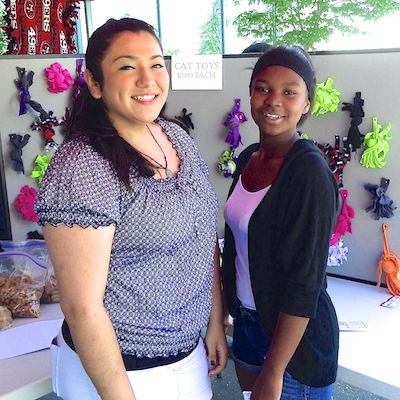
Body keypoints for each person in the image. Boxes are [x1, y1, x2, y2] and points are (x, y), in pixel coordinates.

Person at [35, 17, 227, 400]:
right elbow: (82, 309)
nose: (148, 79)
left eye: (156, 64)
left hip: (186, 359)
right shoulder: (83, 165)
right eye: (127, 66)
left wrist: (214, 321)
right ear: (93, 82)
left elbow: (204, 240)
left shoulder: (175, 137)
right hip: (117, 375)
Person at [221, 46, 339, 400]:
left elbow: (306, 282)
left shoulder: (309, 172)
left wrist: (273, 371)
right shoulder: (246, 159)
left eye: (290, 91)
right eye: (263, 88)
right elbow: (239, 248)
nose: (273, 100)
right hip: (248, 326)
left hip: (293, 346)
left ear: (306, 104)